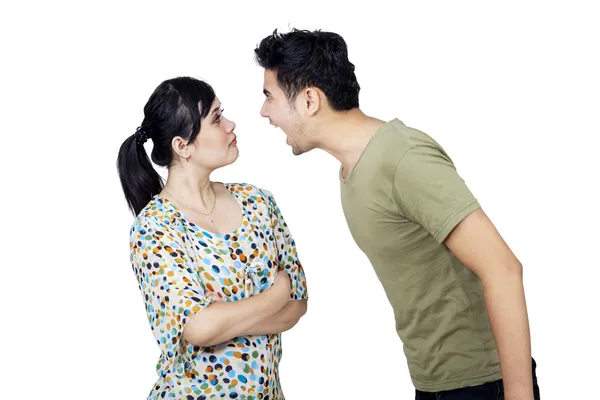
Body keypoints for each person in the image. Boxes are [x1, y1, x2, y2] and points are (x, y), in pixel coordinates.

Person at [254, 29, 540, 400]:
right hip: (434, 383)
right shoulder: (353, 167)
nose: (264, 112)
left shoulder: (402, 157)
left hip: (482, 384)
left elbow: (503, 269)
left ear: (309, 99)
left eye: (269, 97)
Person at [116, 76, 308, 400]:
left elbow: (298, 303)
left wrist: (223, 321)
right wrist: (272, 300)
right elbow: (198, 328)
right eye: (217, 119)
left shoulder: (258, 202)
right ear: (182, 146)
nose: (231, 125)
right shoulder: (153, 229)